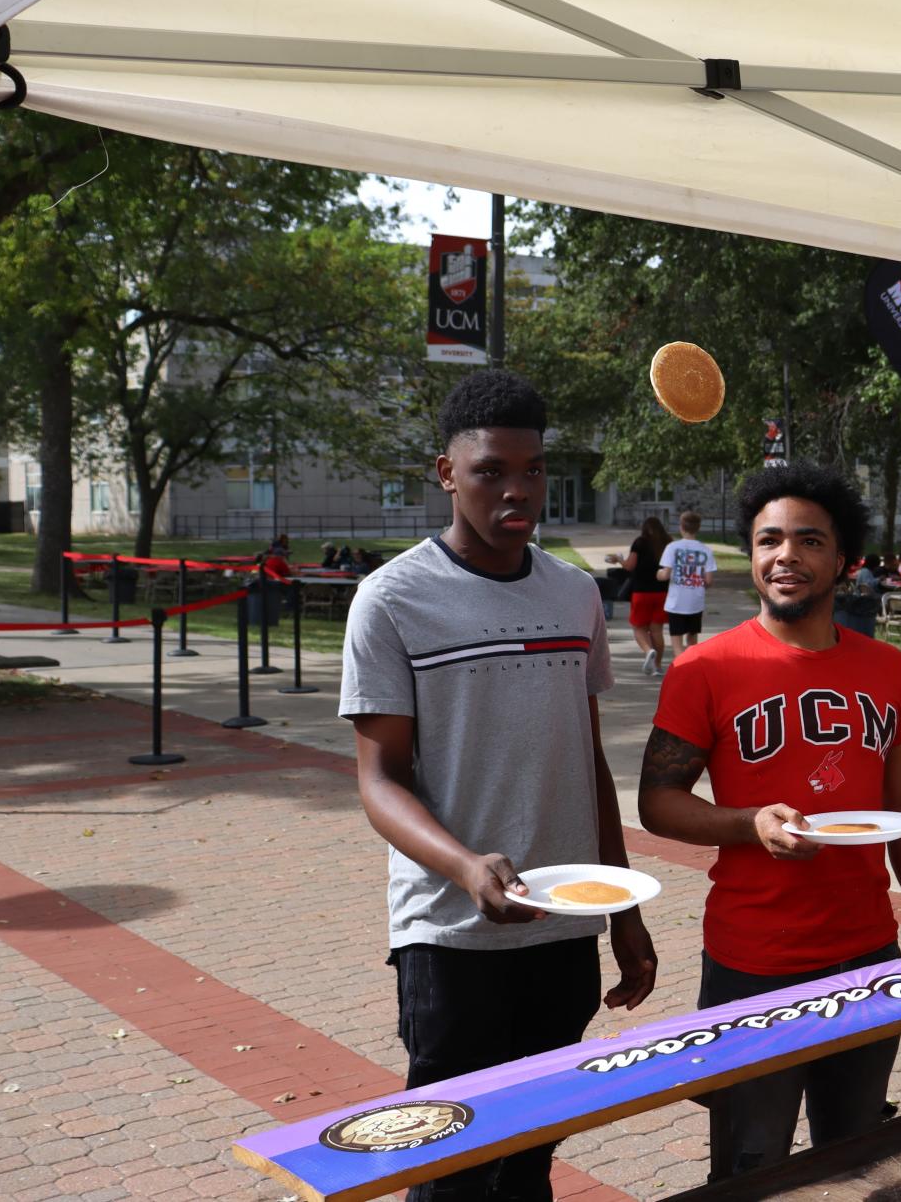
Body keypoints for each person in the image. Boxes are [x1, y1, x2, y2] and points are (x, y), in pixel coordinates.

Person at [340, 369, 657, 1202]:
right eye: (490, 471)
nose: (517, 491)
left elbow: (586, 763)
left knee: (531, 1155)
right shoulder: (391, 599)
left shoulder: (574, 592)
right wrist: (465, 867)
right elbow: (379, 782)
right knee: (449, 1166)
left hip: (563, 927)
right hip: (451, 935)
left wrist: (622, 913)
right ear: (446, 473)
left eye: (532, 470)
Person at [638, 460, 901, 1181]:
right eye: (767, 540)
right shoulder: (704, 669)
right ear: (751, 555)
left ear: (842, 559)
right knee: (751, 1165)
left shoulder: (884, 668)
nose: (786, 555)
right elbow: (657, 802)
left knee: (853, 1157)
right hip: (754, 963)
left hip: (869, 954)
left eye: (808, 541)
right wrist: (749, 823)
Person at [656, 510, 717, 659]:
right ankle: (692, 668)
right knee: (692, 639)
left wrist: (658, 574)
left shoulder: (673, 547)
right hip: (695, 601)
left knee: (676, 640)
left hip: (676, 602)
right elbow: (708, 581)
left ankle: (681, 667)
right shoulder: (705, 550)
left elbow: (665, 574)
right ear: (698, 527)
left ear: (681, 526)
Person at [621, 517, 671, 675]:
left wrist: (618, 560)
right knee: (657, 630)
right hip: (662, 592)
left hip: (641, 592)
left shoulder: (640, 542)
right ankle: (657, 666)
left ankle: (648, 650)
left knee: (639, 628)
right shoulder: (667, 542)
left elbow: (630, 566)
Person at [833, 551, 883, 638]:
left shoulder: (863, 571)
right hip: (864, 597)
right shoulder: (866, 571)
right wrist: (878, 580)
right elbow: (869, 584)